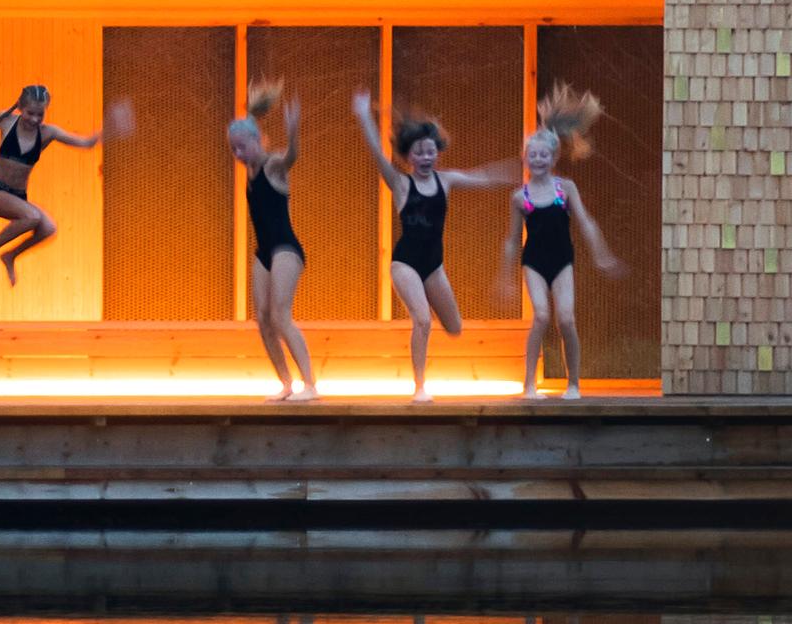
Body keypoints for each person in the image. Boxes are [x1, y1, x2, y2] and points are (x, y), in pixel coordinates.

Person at [350, 91, 520, 399]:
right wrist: (363, 116)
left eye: (431, 152)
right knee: (422, 319)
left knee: (454, 328)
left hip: (434, 266)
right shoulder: (401, 184)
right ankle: (419, 386)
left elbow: (481, 177)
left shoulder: (445, 180)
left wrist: (517, 169)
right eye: (419, 153)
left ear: (437, 152)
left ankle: (427, 316)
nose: (426, 158)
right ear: (408, 157)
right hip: (405, 263)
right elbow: (377, 155)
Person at [0, 83, 124, 283]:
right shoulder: (6, 121)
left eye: (40, 114)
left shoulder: (48, 132)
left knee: (48, 228)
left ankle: (10, 256)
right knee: (32, 217)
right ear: (20, 107)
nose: (35, 119)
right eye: (30, 113)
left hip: (18, 197)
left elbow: (86, 143)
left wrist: (109, 128)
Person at [511, 84, 624, 397]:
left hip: (562, 261)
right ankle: (529, 384)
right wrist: (504, 276)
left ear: (554, 157)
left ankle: (573, 383)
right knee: (541, 316)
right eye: (532, 155)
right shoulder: (520, 197)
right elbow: (511, 240)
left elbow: (586, 222)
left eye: (543, 155)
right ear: (525, 158)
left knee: (566, 320)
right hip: (534, 262)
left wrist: (601, 253)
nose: (538, 159)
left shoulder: (565, 189)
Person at [229, 82, 318, 399]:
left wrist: (293, 133)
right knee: (264, 320)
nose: (238, 155)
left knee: (281, 315)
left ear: (258, 141)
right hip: (264, 251)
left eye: (243, 148)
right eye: (234, 150)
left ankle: (310, 384)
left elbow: (291, 156)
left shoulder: (273, 165)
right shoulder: (250, 174)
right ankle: (286, 383)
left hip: (285, 249)